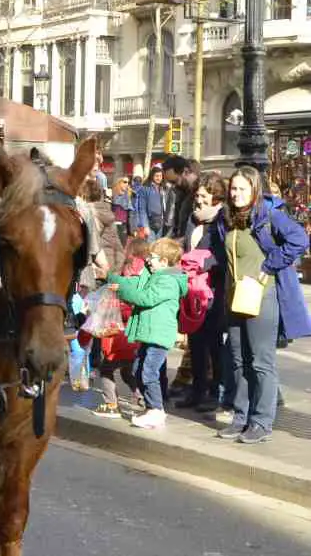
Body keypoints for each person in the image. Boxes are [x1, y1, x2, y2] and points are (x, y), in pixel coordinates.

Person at [210, 166, 311, 443]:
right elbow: (219, 252)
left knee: (261, 362)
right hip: (233, 297)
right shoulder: (225, 218)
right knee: (238, 360)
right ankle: (240, 417)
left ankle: (261, 421)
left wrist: (270, 264)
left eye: (242, 189)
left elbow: (300, 239)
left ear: (254, 190)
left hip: (261, 298)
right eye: (233, 188)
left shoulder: (269, 215)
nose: (236, 194)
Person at [108, 237, 188, 429]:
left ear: (164, 261)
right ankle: (152, 407)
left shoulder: (168, 281)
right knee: (138, 370)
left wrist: (122, 290)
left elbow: (145, 298)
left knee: (148, 372)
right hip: (149, 334)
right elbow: (134, 285)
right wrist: (113, 278)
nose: (148, 260)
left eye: (152, 257)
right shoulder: (155, 276)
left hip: (158, 335)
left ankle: (156, 410)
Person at [175, 172, 225, 412]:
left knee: (213, 342)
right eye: (197, 196)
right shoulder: (193, 219)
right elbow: (187, 244)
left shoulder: (221, 220)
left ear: (215, 197)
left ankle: (215, 392)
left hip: (213, 290)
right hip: (192, 288)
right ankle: (197, 389)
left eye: (204, 196)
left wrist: (204, 263)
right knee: (195, 342)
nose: (199, 200)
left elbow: (224, 253)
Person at [88, 237, 147, 418]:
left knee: (106, 369)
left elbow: (125, 300)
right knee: (127, 369)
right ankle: (140, 397)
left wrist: (110, 304)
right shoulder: (147, 270)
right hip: (138, 335)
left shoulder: (128, 270)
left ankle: (111, 404)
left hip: (121, 334)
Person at [161, 155, 200, 239]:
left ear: (185, 172)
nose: (173, 186)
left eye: (174, 181)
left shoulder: (203, 193)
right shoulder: (181, 193)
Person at [131, 166, 164, 238]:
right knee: (150, 247)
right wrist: (145, 226)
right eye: (156, 176)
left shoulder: (163, 188)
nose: (159, 178)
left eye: (160, 176)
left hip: (161, 223)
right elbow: (142, 209)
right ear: (152, 176)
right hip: (150, 223)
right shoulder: (145, 189)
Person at [111, 176, 133, 244]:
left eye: (128, 182)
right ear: (119, 182)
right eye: (125, 182)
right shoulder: (112, 194)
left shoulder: (128, 196)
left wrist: (131, 230)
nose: (127, 184)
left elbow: (130, 215)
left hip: (123, 226)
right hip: (113, 226)